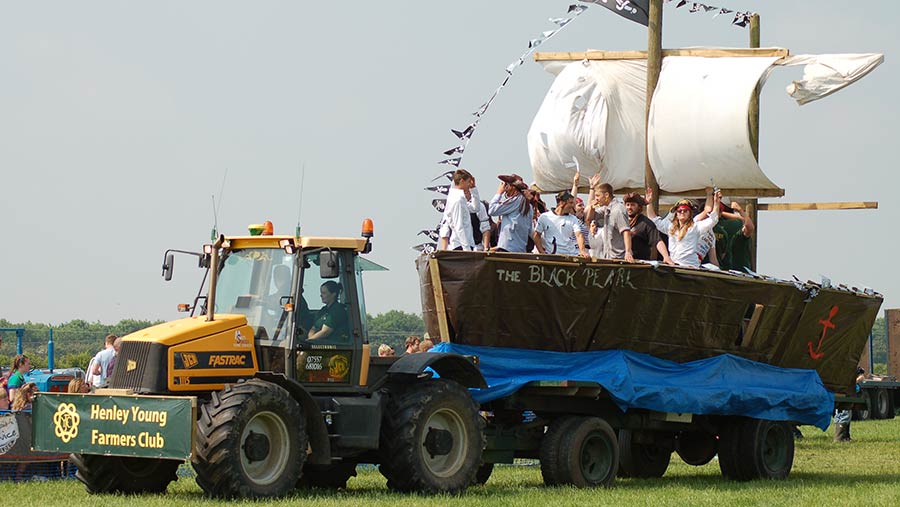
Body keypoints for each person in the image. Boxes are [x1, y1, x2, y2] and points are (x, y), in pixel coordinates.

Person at [645, 187, 721, 268]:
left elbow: (713, 220)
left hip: (690, 266)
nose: (682, 212)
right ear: (676, 214)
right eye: (679, 211)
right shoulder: (670, 227)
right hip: (674, 265)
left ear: (690, 213)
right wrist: (649, 203)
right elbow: (653, 219)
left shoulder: (695, 226)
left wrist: (716, 203)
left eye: (685, 210)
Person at [584, 174, 634, 262]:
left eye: (598, 196)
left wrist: (628, 252)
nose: (596, 199)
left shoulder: (618, 209)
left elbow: (626, 231)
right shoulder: (606, 208)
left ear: (606, 195)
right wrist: (592, 207)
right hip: (609, 256)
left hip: (619, 258)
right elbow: (589, 219)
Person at [439, 169, 490, 251]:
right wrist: (467, 249)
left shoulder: (459, 198)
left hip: (467, 243)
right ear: (462, 181)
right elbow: (458, 226)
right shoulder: (457, 200)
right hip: (460, 245)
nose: (469, 185)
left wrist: (474, 189)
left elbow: (475, 208)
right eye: (468, 182)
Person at [533, 190, 588, 257]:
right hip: (552, 256)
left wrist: (582, 251)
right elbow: (536, 236)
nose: (572, 206)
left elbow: (579, 235)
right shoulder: (545, 217)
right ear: (562, 203)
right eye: (570, 203)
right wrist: (542, 252)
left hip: (570, 256)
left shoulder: (573, 219)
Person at [622, 192, 673, 263]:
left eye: (633, 205)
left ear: (639, 207)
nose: (629, 207)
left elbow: (657, 241)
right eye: (627, 205)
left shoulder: (646, 223)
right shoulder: (621, 221)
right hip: (621, 260)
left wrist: (666, 256)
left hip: (639, 263)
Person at [488, 174, 534, 253]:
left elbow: (492, 210)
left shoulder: (514, 201)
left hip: (508, 247)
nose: (505, 187)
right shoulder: (528, 206)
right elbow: (530, 230)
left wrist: (499, 193)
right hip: (520, 248)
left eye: (506, 185)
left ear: (513, 187)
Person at [715, 199, 755, 272]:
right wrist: (740, 210)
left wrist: (719, 212)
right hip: (741, 272)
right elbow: (747, 224)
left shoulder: (709, 225)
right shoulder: (737, 224)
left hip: (722, 272)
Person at [834, 367, 867, 442]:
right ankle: (840, 438)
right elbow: (861, 377)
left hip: (842, 392)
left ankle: (845, 437)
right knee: (845, 414)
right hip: (846, 392)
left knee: (840, 414)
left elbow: (861, 377)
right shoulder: (848, 364)